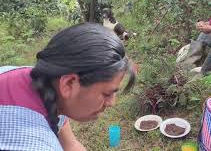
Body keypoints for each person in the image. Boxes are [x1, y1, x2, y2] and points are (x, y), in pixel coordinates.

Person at [0, 23, 136, 150]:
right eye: (107, 94)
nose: (112, 102)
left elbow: (71, 145)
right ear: (69, 83)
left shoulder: (44, 79)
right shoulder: (35, 145)